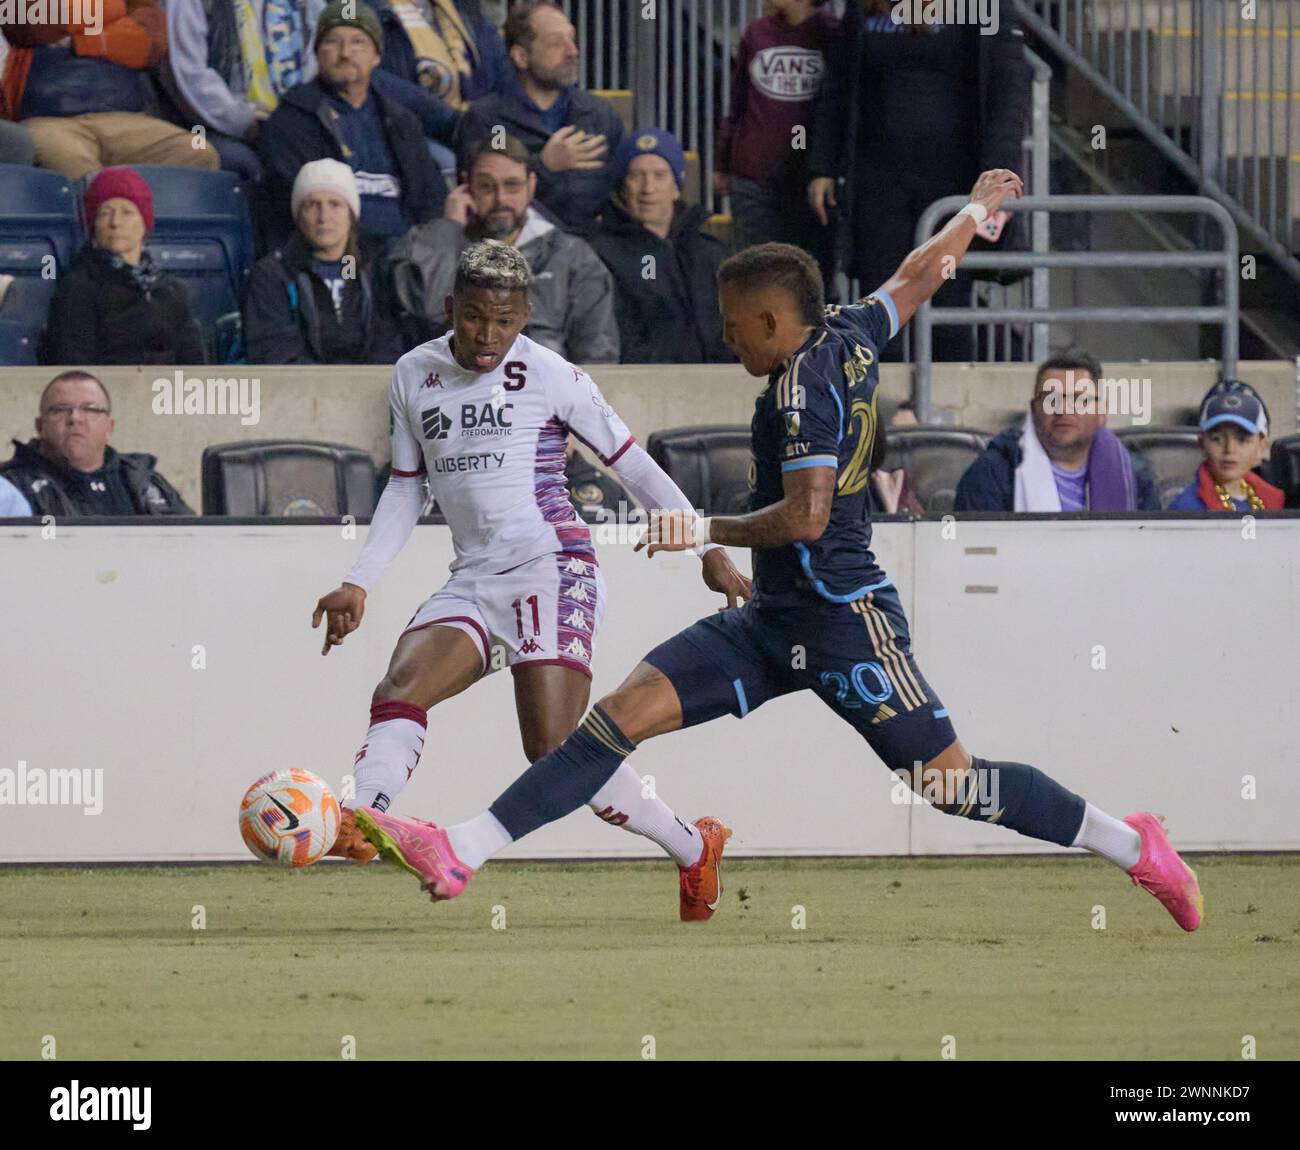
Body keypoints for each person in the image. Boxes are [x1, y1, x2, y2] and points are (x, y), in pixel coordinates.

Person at [353, 172, 1206, 938]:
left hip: (843, 620)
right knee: (615, 720)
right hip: (768, 621)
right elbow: (917, 277)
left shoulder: (800, 396)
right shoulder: (847, 330)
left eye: (734, 328)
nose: (731, 344)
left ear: (770, 320)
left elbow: (804, 519)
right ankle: (460, 850)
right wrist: (972, 217)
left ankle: (1133, 844)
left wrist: (703, 530)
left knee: (951, 786)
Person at [311, 240, 751, 921]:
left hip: (554, 566)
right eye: (476, 317)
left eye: (507, 320)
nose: (489, 336)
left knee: (553, 749)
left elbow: (631, 464)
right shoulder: (412, 373)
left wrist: (704, 544)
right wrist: (358, 580)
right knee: (399, 688)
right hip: (475, 577)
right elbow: (406, 488)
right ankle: (362, 822)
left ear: (526, 317)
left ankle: (693, 847)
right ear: (450, 307)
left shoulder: (552, 375)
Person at [807, 0, 1029, 360]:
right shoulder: (865, 7)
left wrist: (997, 174)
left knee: (949, 298)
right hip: (878, 178)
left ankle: (948, 404)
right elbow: (839, 85)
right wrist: (822, 166)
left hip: (953, 179)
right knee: (880, 297)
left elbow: (1009, 89)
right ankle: (877, 406)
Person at [390, 133, 618, 359]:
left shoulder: (572, 256)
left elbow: (597, 352)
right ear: (467, 185)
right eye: (487, 186)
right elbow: (430, 310)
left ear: (531, 186)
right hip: (456, 385)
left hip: (546, 389)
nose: (501, 199)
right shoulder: (435, 243)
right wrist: (449, 228)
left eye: (512, 186)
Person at [257, 1, 449, 250]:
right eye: (332, 42)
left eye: (358, 42)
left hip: (407, 258)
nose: (345, 53)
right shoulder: (292, 120)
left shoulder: (401, 121)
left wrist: (424, 253)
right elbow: (302, 214)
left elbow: (431, 199)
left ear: (377, 56)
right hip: (342, 258)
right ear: (317, 54)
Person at [2, 0, 220, 180]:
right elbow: (33, 24)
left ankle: (143, 225)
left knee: (199, 151)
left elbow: (151, 41)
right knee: (78, 172)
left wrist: (79, 40)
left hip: (128, 120)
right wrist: (117, 8)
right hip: (50, 122)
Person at [459, 1, 623, 237]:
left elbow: (617, 200)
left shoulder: (600, 115)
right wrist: (545, 167)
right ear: (521, 57)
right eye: (556, 43)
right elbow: (482, 205)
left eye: (572, 39)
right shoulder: (485, 119)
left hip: (590, 256)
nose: (572, 51)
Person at [716, 0, 839, 289]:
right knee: (758, 281)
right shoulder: (756, 33)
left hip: (811, 184)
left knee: (813, 286)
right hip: (754, 177)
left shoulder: (834, 34)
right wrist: (723, 162)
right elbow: (738, 103)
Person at [590, 129, 733, 365]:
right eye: (636, 176)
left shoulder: (710, 253)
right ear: (622, 186)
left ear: (676, 186)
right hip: (643, 387)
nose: (648, 188)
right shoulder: (600, 254)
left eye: (660, 175)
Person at [952, 352, 1160, 513]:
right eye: (1052, 399)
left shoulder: (1134, 474)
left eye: (1079, 399)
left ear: (1101, 412)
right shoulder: (993, 472)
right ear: (1033, 410)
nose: (1064, 409)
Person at [42, 167, 207, 365]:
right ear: (94, 226)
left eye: (127, 212)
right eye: (105, 213)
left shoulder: (170, 290)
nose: (115, 222)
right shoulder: (78, 287)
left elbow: (194, 364)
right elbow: (73, 364)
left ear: (145, 223)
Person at [244, 159, 402, 363]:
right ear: (298, 215)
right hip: (300, 391)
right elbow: (275, 352)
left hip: (369, 389)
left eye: (335, 204)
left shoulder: (375, 269)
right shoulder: (273, 274)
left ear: (351, 214)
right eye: (312, 205)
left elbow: (390, 344)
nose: (323, 217)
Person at [160, 0, 328, 182]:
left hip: (293, 117)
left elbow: (319, 54)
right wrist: (242, 118)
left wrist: (297, 115)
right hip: (210, 126)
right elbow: (189, 73)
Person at [0, 370, 191, 516]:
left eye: (90, 410)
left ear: (110, 427)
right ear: (40, 426)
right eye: (60, 410)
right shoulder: (12, 486)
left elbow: (192, 542)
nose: (75, 418)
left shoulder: (144, 480)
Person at [1168, 381, 1285, 511]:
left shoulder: (1274, 502)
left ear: (1261, 448)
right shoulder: (1186, 508)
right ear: (1202, 444)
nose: (1229, 449)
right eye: (1217, 439)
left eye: (1242, 440)